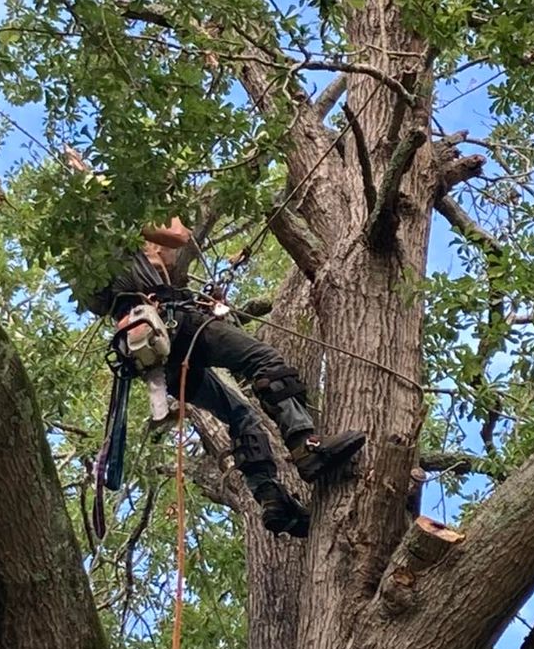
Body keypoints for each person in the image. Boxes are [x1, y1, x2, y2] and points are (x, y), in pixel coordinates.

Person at [86, 218, 366, 538]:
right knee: (263, 360)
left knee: (240, 414)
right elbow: (179, 234)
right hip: (172, 327)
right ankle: (305, 444)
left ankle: (271, 499)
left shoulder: (100, 278)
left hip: (154, 358)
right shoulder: (119, 233)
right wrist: (131, 213)